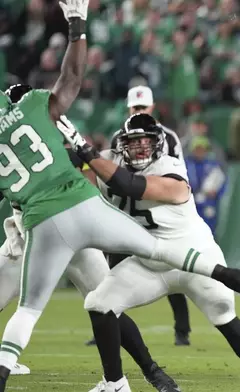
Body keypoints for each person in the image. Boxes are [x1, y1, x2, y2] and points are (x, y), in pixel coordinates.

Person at [0, 2, 240, 390]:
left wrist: (84, 155)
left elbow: (122, 181)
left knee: (31, 308)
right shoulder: (41, 109)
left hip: (43, 222)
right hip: (74, 206)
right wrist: (78, 26)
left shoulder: (158, 150)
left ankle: (136, 372)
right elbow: (72, 80)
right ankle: (225, 277)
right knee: (146, 258)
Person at [60, 113, 240, 392]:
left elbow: (129, 186)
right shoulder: (111, 161)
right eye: (133, 142)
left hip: (193, 258)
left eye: (146, 142)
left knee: (224, 315)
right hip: (148, 262)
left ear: (159, 144)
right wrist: (66, 148)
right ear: (123, 145)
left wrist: (87, 153)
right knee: (99, 303)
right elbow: (75, 169)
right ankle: (115, 383)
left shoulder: (170, 168)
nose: (140, 148)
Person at [0, 84, 180, 391]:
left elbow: (85, 170)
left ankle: (150, 371)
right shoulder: (47, 130)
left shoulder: (30, 135)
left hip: (42, 234)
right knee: (104, 302)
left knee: (103, 304)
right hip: (35, 235)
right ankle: (150, 372)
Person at [93, 85, 192, 347]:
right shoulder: (118, 137)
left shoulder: (168, 137)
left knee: (172, 270)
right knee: (112, 268)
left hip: (158, 210)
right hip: (127, 210)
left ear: (151, 107)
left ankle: (182, 328)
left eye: (142, 107)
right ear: (128, 108)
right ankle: (107, 324)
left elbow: (176, 176)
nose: (138, 111)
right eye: (134, 107)